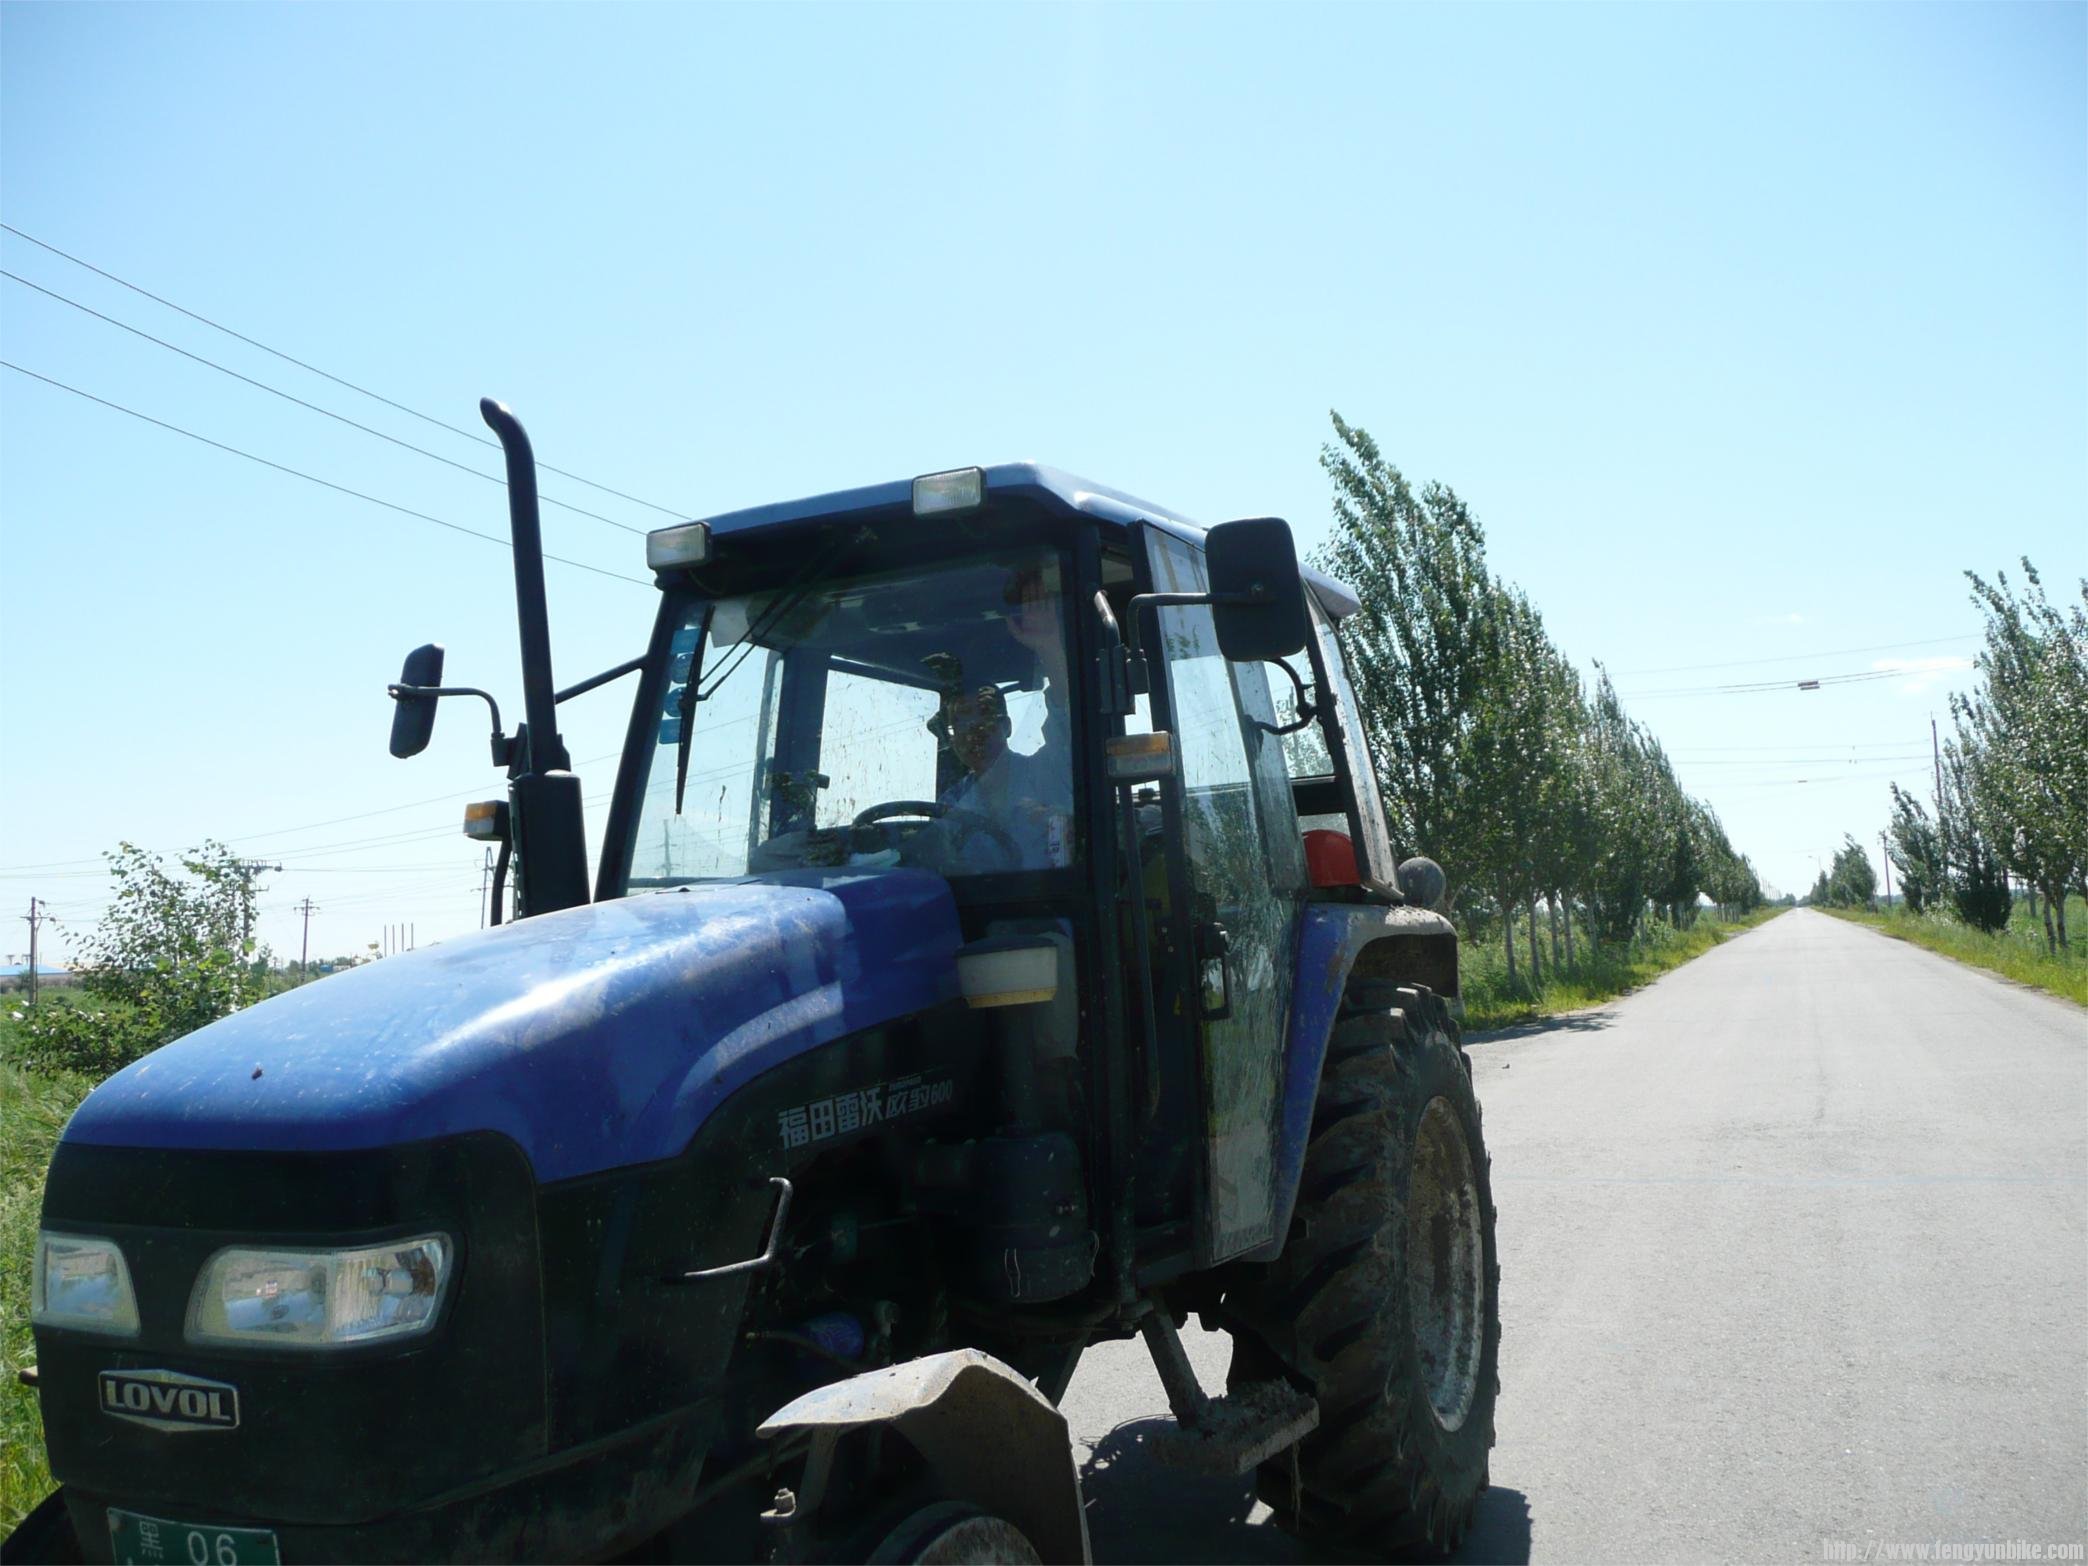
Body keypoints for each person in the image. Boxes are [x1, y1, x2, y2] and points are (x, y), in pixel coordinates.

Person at [923, 682, 1071, 870]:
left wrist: (1046, 650)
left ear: (1007, 726)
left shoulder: (1048, 771)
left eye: (984, 718)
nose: (971, 732)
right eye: (960, 725)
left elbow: (1065, 708)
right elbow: (934, 861)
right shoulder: (951, 804)